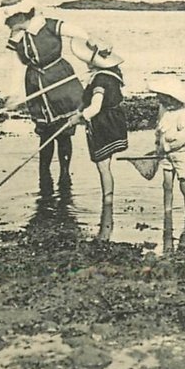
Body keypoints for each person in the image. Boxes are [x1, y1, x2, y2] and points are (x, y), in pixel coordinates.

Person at [0, 0, 89, 192]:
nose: (6, 23)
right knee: (45, 131)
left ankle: (65, 174)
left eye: (9, 19)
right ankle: (44, 175)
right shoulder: (17, 37)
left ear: (21, 16)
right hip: (36, 86)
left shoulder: (48, 26)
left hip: (60, 82)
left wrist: (95, 55)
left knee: (63, 131)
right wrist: (13, 95)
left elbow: (81, 34)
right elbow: (17, 67)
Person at [68, 41, 128, 241]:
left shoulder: (101, 80)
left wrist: (80, 117)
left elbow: (94, 107)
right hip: (114, 121)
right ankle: (107, 205)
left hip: (105, 124)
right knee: (105, 165)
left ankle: (108, 202)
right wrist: (78, 111)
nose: (86, 65)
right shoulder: (112, 75)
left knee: (103, 166)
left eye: (88, 62)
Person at [151, 78, 185, 226]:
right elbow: (159, 128)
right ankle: (167, 211)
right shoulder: (163, 109)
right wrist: (158, 143)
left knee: (184, 184)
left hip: (184, 153)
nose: (161, 100)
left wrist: (169, 146)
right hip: (166, 153)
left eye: (164, 98)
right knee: (166, 184)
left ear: (173, 98)